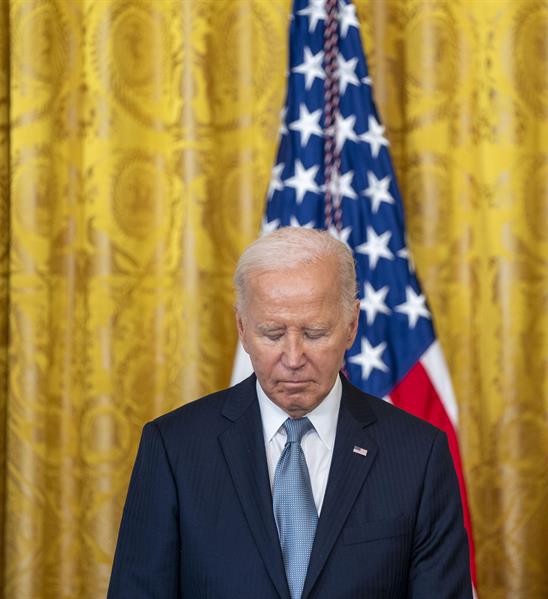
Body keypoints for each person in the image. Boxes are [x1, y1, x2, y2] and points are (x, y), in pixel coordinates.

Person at [108, 227, 472, 599]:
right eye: (272, 333)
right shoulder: (174, 449)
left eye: (314, 333)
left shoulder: (419, 454)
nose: (294, 358)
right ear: (242, 327)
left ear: (351, 326)